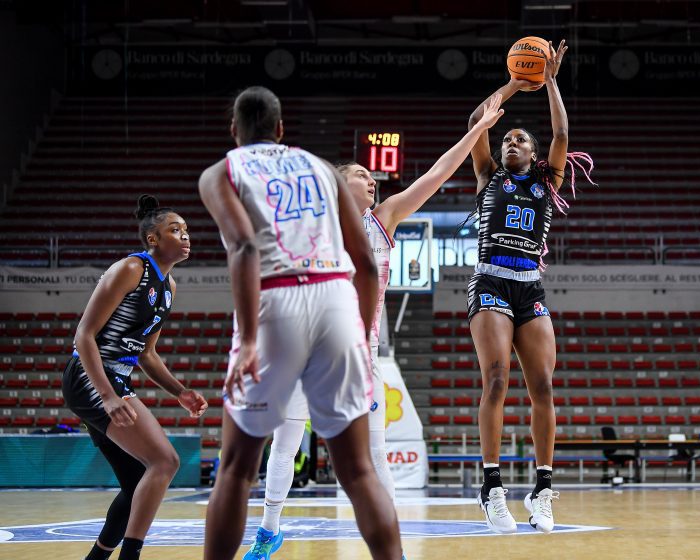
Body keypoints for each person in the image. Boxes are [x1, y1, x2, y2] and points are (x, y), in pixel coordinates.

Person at [241, 95, 506, 560]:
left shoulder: (383, 220)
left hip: (360, 355)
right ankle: (268, 530)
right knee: (284, 445)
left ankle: (391, 542)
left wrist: (477, 130)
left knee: (375, 453)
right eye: (361, 175)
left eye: (372, 175)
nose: (372, 180)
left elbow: (437, 174)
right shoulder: (311, 223)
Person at [199, 86, 402, 560]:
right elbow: (367, 267)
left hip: (275, 299)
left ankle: (262, 535)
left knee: (234, 469)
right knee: (359, 471)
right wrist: (359, 333)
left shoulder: (221, 172)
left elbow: (245, 249)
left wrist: (249, 340)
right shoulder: (321, 168)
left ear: (234, 131)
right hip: (336, 300)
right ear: (282, 130)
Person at [465, 39, 595, 534]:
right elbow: (480, 118)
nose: (509, 144)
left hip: (530, 286)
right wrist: (516, 84)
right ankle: (492, 486)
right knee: (496, 379)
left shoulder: (548, 181)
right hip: (491, 281)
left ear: (535, 153)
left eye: (519, 139)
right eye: (506, 141)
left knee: (542, 386)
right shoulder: (487, 176)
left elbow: (562, 129)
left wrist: (552, 79)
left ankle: (541, 489)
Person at [63, 195, 208, 560]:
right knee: (165, 462)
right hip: (90, 375)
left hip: (116, 378)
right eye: (175, 230)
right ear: (153, 239)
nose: (185, 236)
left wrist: (179, 391)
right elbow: (84, 335)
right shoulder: (130, 269)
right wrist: (110, 397)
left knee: (134, 484)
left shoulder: (169, 288)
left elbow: (147, 354)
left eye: (187, 230)